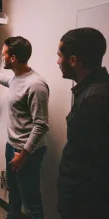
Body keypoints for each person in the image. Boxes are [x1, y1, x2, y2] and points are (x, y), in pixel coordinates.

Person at [0, 36, 49, 219]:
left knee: (30, 199)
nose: (2, 58)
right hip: (12, 146)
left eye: (4, 54)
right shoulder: (18, 78)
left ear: (13, 58)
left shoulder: (36, 85)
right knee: (14, 193)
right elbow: (7, 81)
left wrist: (24, 154)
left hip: (28, 151)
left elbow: (41, 125)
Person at [56, 27, 109, 219]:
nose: (57, 62)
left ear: (73, 60)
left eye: (59, 56)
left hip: (84, 206)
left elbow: (87, 163)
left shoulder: (94, 99)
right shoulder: (97, 89)